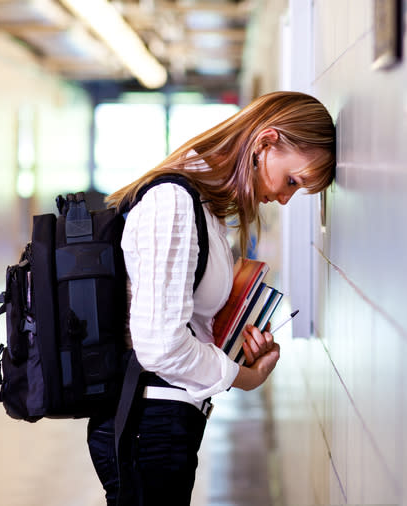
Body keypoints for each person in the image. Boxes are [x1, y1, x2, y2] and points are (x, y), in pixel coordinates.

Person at [87, 90, 336, 505]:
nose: (285, 197)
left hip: (167, 421)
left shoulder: (204, 207)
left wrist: (237, 344)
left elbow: (184, 323)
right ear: (266, 141)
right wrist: (246, 377)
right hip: (149, 424)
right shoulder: (175, 203)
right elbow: (161, 347)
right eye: (292, 180)